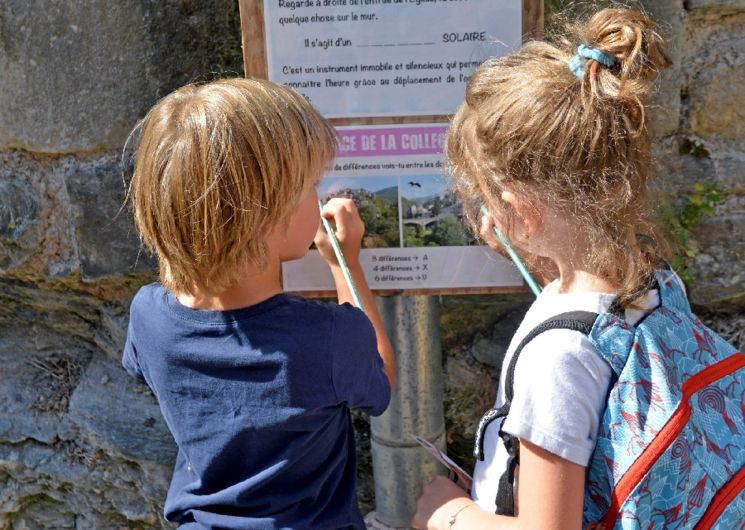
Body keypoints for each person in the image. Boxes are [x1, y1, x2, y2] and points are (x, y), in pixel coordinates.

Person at [412, 7, 674, 530]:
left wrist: (448, 515)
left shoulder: (558, 357)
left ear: (521, 210)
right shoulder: (652, 275)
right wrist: (531, 245)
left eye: (486, 198)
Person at [122, 77, 395, 529]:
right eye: (310, 185)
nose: (317, 193)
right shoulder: (327, 337)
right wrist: (346, 266)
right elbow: (380, 378)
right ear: (269, 215)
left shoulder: (149, 315)